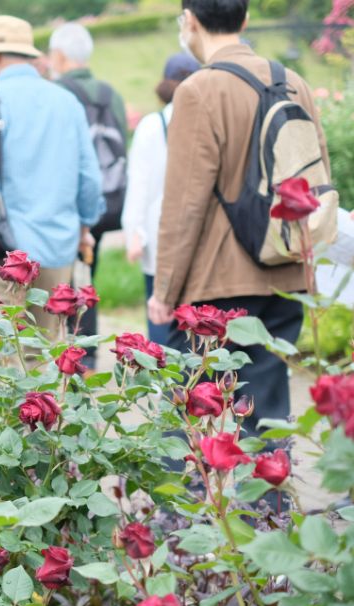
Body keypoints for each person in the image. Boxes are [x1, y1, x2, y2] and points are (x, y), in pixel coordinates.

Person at [148, 0, 329, 437]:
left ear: (189, 21)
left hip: (217, 287)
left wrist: (164, 291)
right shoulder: (294, 82)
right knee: (265, 412)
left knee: (188, 412)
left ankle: (183, 506)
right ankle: (273, 504)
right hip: (287, 273)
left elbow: (184, 204)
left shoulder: (196, 91)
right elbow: (318, 175)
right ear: (244, 20)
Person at [0, 15, 104, 341]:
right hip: (57, 248)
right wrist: (84, 226)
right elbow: (90, 179)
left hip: (0, 253)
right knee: (45, 358)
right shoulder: (67, 101)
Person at [49, 22, 129, 365]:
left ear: (59, 56)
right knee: (86, 276)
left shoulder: (55, 93)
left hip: (65, 203)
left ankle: (66, 352)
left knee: (58, 280)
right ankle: (89, 352)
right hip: (107, 201)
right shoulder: (113, 94)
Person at [121, 53, 199, 343]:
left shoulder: (153, 124)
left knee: (160, 313)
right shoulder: (206, 118)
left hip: (158, 237)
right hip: (199, 237)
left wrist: (134, 233)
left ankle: (165, 384)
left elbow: (139, 184)